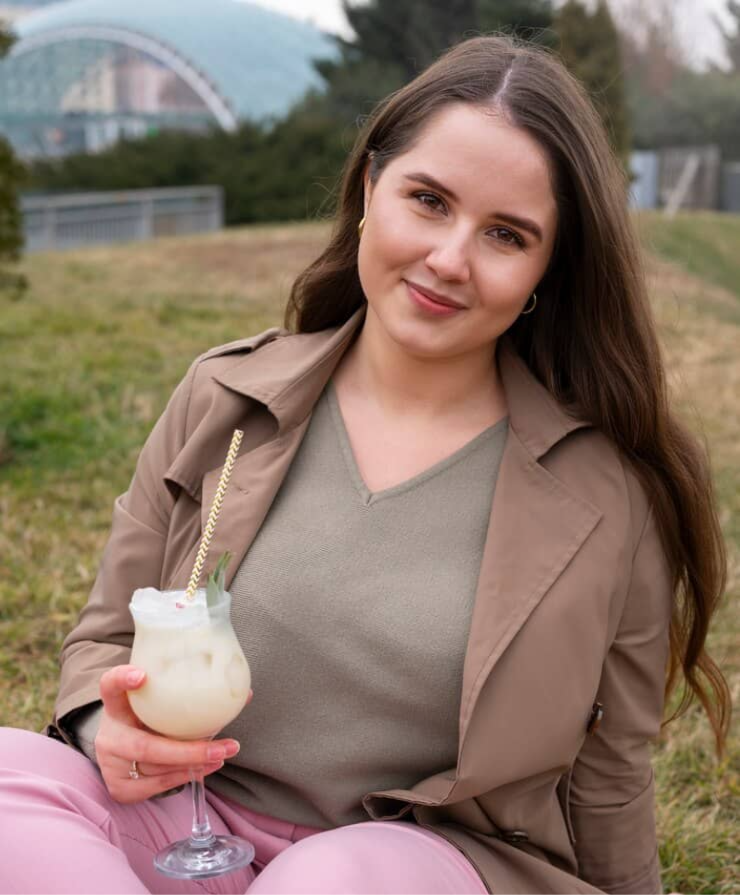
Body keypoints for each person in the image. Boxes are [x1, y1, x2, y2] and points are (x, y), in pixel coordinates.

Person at [0, 33, 730, 895]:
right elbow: (105, 637)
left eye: (506, 234)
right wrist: (103, 727)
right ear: (370, 190)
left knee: (331, 879)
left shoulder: (612, 495)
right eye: (428, 200)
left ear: (547, 269)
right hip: (187, 826)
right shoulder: (225, 398)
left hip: (416, 862)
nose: (449, 259)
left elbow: (612, 776)